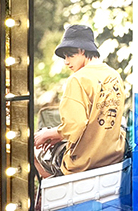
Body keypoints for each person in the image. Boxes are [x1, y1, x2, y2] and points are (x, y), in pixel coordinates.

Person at [34, 25, 126, 178]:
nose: (66, 62)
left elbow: (74, 126)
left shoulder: (77, 79)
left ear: (81, 50)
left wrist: (48, 134)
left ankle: (54, 188)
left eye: (69, 55)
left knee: (34, 150)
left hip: (83, 164)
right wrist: (58, 135)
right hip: (114, 158)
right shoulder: (114, 75)